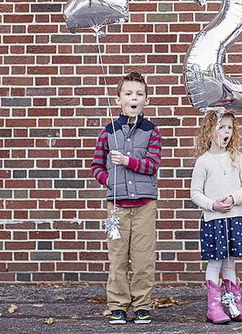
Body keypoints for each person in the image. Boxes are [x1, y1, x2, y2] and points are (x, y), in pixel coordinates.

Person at [90, 71, 162, 325]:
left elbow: (152, 165)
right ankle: (118, 305)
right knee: (117, 258)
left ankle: (142, 305)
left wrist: (127, 161)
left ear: (146, 100)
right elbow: (96, 166)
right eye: (128, 94)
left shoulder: (151, 132)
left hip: (144, 205)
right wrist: (108, 180)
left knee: (143, 260)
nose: (134, 98)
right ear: (119, 99)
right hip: (117, 207)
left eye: (139, 94)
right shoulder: (108, 132)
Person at [190, 110, 242, 325]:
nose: (226, 131)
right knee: (215, 262)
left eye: (229, 127)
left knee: (230, 262)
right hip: (214, 220)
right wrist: (213, 205)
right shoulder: (203, 162)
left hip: (237, 217)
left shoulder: (237, 158)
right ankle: (214, 306)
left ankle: (233, 304)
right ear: (209, 132)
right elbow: (195, 193)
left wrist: (233, 197)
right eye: (221, 127)